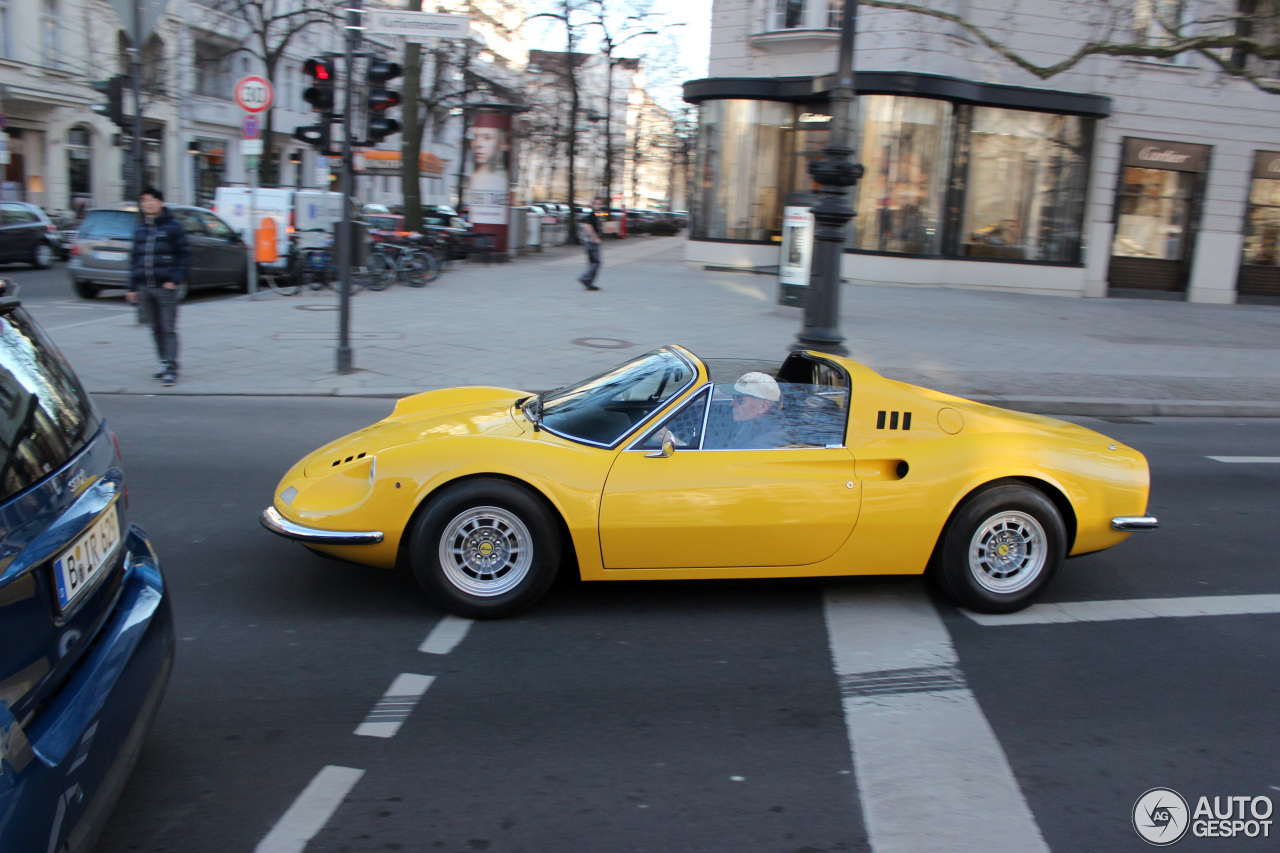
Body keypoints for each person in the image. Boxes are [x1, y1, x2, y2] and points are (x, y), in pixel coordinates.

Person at [125, 187, 190, 387]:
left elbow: (185, 255)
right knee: (155, 328)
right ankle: (163, 362)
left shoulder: (173, 227)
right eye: (144, 200)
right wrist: (132, 287)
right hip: (145, 286)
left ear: (160, 202)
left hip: (165, 287)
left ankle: (171, 368)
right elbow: (135, 259)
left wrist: (175, 279)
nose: (147, 204)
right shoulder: (140, 229)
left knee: (168, 328)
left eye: (151, 200)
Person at [714, 372, 792, 449]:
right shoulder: (752, 424)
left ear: (763, 406)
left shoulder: (767, 443)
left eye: (741, 399)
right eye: (734, 396)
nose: (732, 403)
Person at [578, 198, 604, 291]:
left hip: (590, 242)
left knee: (593, 263)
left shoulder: (596, 215)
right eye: (596, 204)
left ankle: (589, 283)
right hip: (591, 242)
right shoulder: (592, 214)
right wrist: (595, 238)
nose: (598, 206)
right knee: (596, 262)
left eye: (600, 204)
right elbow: (588, 226)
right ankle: (585, 279)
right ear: (593, 205)